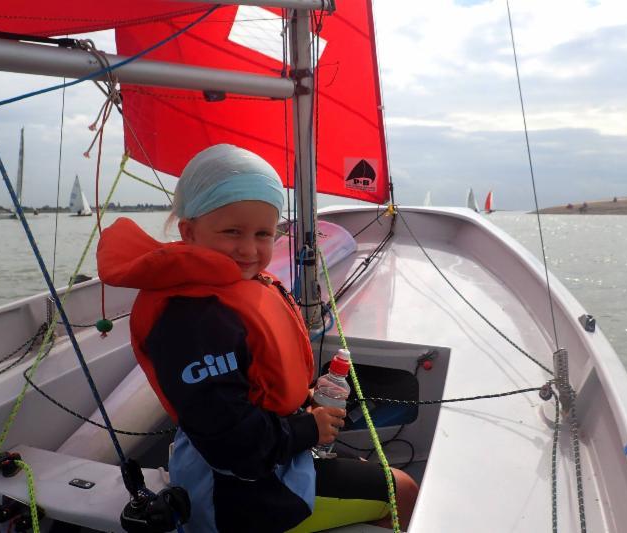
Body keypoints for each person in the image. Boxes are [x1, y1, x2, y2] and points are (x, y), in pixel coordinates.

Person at [98, 144, 418, 532]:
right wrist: (310, 429)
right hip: (238, 501)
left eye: (263, 234)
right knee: (402, 489)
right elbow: (234, 444)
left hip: (265, 459)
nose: (249, 249)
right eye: (232, 231)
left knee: (366, 469)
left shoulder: (227, 293)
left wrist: (304, 407)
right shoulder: (194, 321)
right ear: (188, 231)